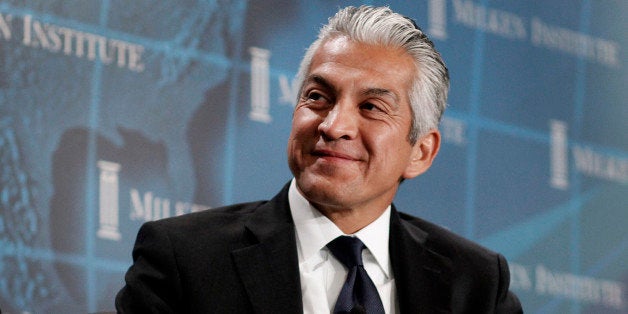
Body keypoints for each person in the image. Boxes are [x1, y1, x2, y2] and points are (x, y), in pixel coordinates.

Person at [116, 5, 523, 313]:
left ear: (420, 152)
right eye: (318, 97)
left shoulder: (476, 285)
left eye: (371, 107)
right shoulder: (184, 259)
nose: (334, 124)